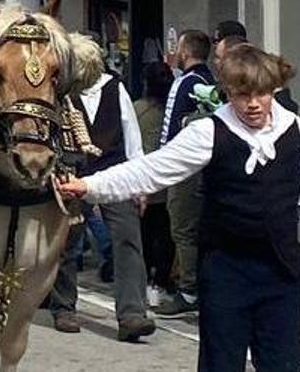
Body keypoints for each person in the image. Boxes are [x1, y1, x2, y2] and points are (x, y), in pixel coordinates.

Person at [58, 45, 300, 371]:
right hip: (226, 270)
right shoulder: (208, 131)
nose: (253, 104)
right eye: (242, 95)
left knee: (283, 363)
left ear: (273, 90)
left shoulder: (297, 130)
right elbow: (151, 171)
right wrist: (90, 185)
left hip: (281, 270)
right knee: (220, 364)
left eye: (261, 94)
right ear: (227, 92)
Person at [50, 37, 155, 342]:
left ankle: (132, 313)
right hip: (72, 174)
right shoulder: (61, 92)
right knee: (67, 243)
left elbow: (131, 135)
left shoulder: (115, 88)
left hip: (117, 174)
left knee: (128, 240)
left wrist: (140, 183)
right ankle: (63, 306)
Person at [158, 29, 216, 318]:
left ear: (186, 52)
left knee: (182, 228)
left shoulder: (187, 84)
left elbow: (171, 131)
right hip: (199, 167)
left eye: (177, 47)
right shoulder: (207, 81)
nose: (174, 53)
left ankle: (188, 290)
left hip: (184, 168)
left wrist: (164, 163)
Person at [134, 61, 177, 304]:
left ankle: (148, 281)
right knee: (166, 234)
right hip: (169, 182)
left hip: (144, 181)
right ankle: (162, 279)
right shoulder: (170, 111)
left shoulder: (137, 109)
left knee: (145, 234)